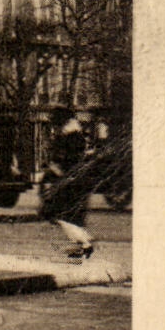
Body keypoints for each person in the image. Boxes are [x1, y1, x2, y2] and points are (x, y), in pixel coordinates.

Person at [41, 109, 95, 260]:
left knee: (58, 214)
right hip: (76, 181)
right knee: (68, 215)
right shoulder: (77, 135)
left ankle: (85, 244)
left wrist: (56, 168)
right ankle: (83, 244)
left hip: (71, 182)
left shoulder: (70, 137)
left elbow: (69, 161)